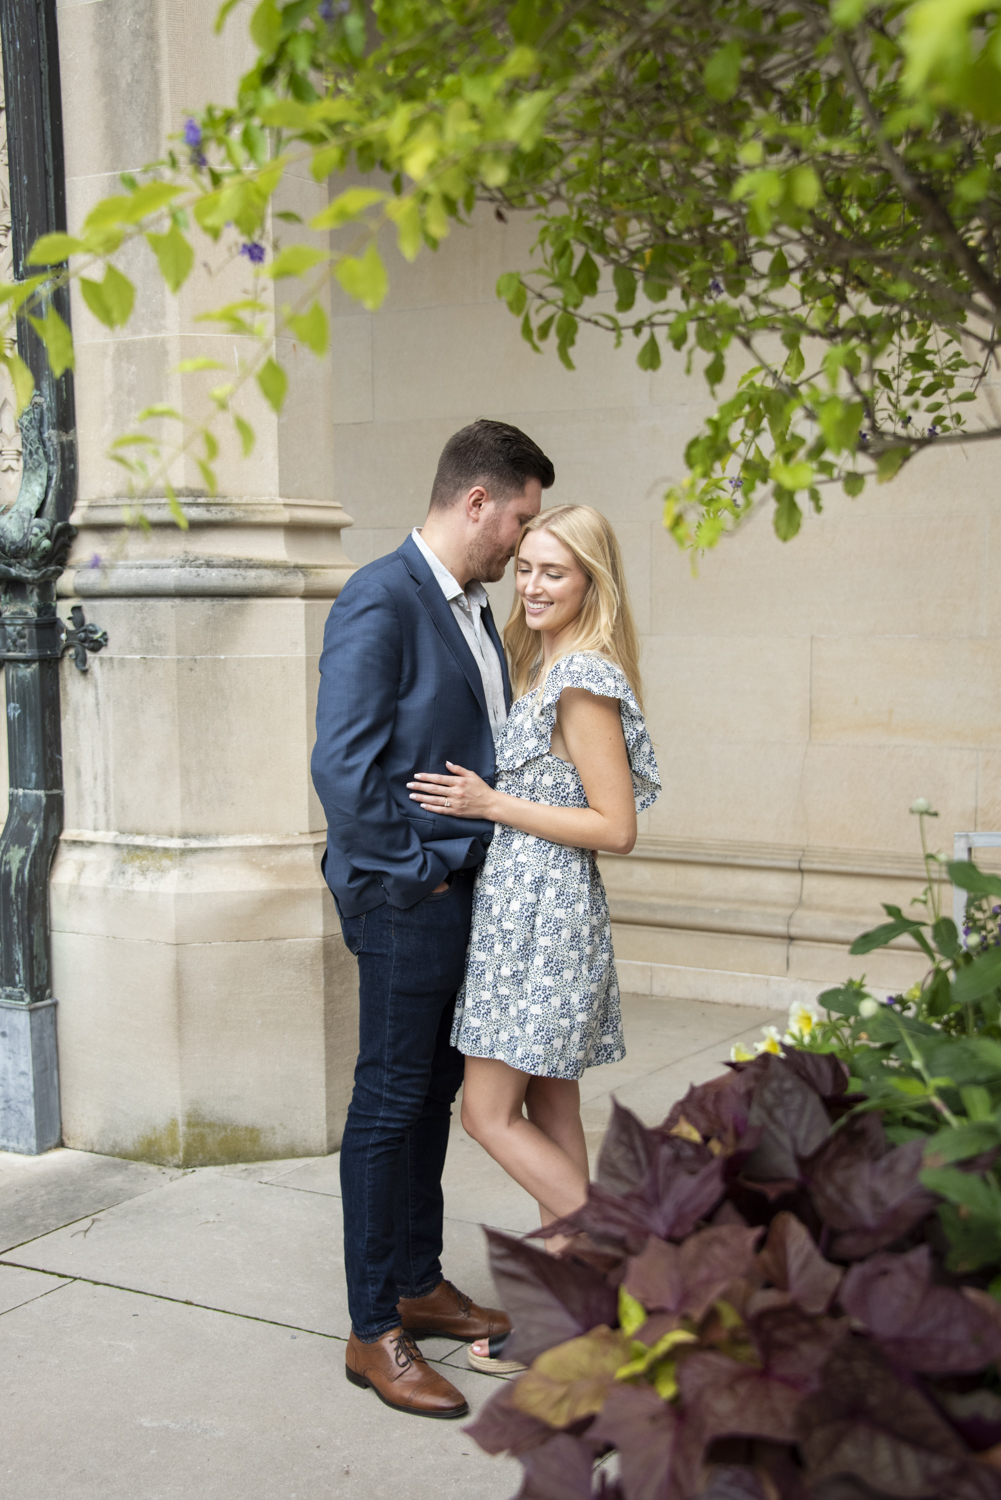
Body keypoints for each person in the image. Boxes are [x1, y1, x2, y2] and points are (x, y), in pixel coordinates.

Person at [311, 418, 555, 1419]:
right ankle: (374, 1331)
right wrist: (417, 878)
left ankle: (417, 1280)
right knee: (388, 1100)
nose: (524, 541)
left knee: (429, 1096)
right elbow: (342, 765)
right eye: (521, 519)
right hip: (409, 900)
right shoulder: (382, 596)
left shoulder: (470, 608)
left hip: (459, 895)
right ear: (476, 503)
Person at [406, 504, 661, 1372]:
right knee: (550, 1106)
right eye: (525, 568)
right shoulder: (543, 661)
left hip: (541, 921)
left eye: (554, 571)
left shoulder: (580, 676)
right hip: (527, 909)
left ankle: (609, 1265)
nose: (533, 584)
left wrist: (490, 803)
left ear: (592, 579)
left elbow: (615, 826)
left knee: (485, 1113)